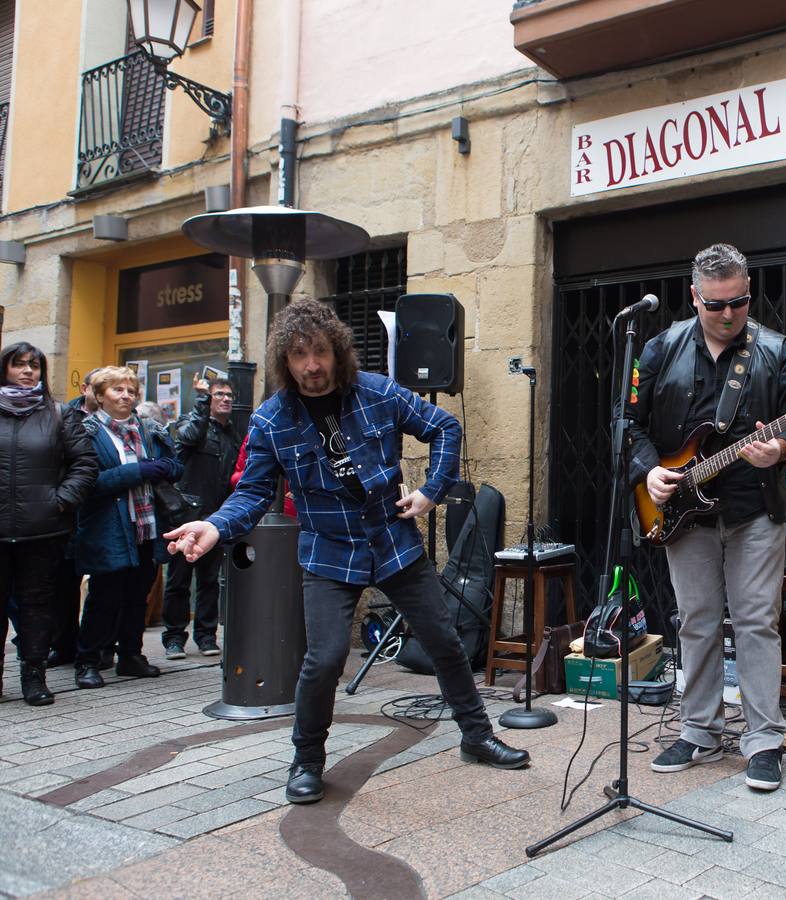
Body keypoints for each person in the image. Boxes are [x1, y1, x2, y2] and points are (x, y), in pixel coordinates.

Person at [165, 299, 529, 806]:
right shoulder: (272, 420)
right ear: (284, 362)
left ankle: (476, 735)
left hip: (392, 541)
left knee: (445, 641)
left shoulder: (377, 393)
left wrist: (432, 490)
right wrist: (213, 525)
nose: (311, 366)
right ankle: (307, 760)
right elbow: (251, 493)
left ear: (336, 351)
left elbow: (445, 427)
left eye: (318, 352)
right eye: (298, 355)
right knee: (325, 658)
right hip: (329, 552)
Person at [628, 243, 786, 792]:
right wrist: (647, 472)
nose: (729, 314)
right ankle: (700, 730)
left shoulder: (777, 352)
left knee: (756, 620)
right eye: (716, 305)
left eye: (740, 302)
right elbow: (626, 423)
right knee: (696, 620)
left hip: (754, 508)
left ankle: (763, 740)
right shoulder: (659, 350)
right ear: (694, 296)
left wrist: (778, 451)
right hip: (684, 512)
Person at [70, 366, 183, 689]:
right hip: (108, 527)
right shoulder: (87, 431)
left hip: (147, 525)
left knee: (138, 595)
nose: (126, 396)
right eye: (118, 390)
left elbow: (174, 466)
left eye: (131, 390)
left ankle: (131, 656)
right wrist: (138, 471)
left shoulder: (148, 428)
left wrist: (163, 467)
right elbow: (88, 483)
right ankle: (88, 660)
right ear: (101, 395)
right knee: (104, 596)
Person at [0, 343, 98, 703]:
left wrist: (60, 503)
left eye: (35, 366)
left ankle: (34, 675)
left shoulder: (58, 414)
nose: (28, 371)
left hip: (42, 530)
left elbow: (84, 464)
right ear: (5, 369)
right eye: (19, 365)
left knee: (37, 605)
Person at [160, 376, 240, 659]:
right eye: (219, 394)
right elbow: (189, 438)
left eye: (229, 395)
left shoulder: (232, 434)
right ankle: (173, 638)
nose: (225, 399)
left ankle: (206, 636)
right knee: (179, 580)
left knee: (208, 581)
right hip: (187, 514)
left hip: (216, 516)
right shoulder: (191, 423)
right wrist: (202, 401)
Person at [48, 368, 103, 667]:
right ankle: (63, 644)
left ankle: (94, 648)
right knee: (62, 586)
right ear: (85, 389)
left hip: (97, 513)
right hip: (66, 515)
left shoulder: (118, 424)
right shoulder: (62, 417)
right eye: (99, 387)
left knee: (100, 586)